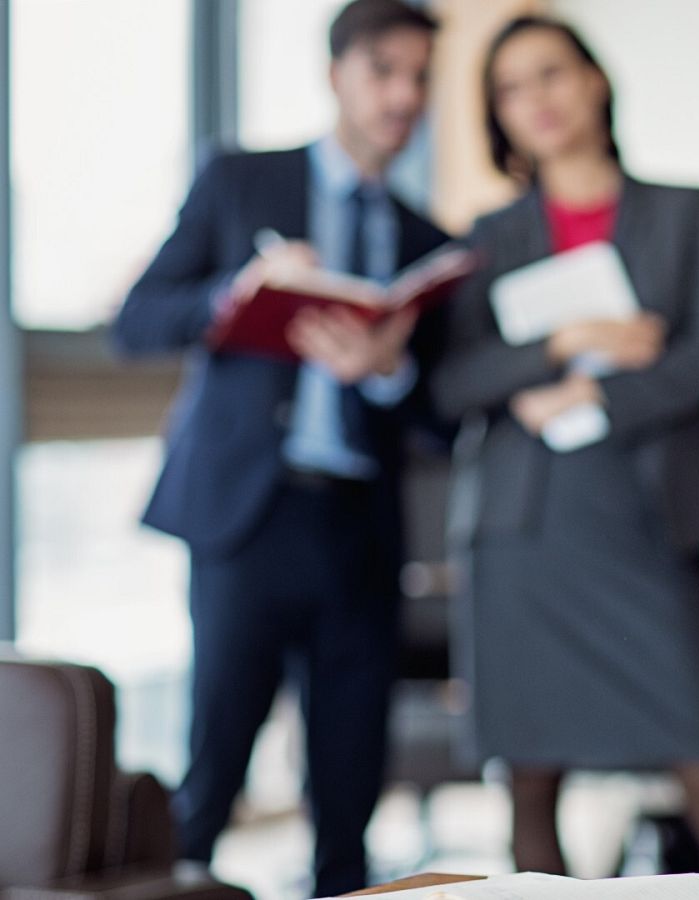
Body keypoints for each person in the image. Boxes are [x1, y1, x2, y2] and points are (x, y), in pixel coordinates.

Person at [109, 1, 447, 893]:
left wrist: (387, 371)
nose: (404, 94)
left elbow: (444, 419)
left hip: (358, 532)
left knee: (348, 785)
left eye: (420, 76)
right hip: (247, 520)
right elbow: (137, 320)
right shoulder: (240, 183)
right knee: (213, 765)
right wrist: (237, 294)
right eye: (385, 70)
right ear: (336, 73)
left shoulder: (426, 241)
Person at [429, 16, 699, 877]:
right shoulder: (486, 236)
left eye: (552, 74)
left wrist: (598, 394)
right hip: (524, 530)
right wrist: (565, 345)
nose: (537, 99)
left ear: (595, 80)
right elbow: (453, 382)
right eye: (511, 88)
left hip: (646, 515)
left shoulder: (680, 211)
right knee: (530, 779)